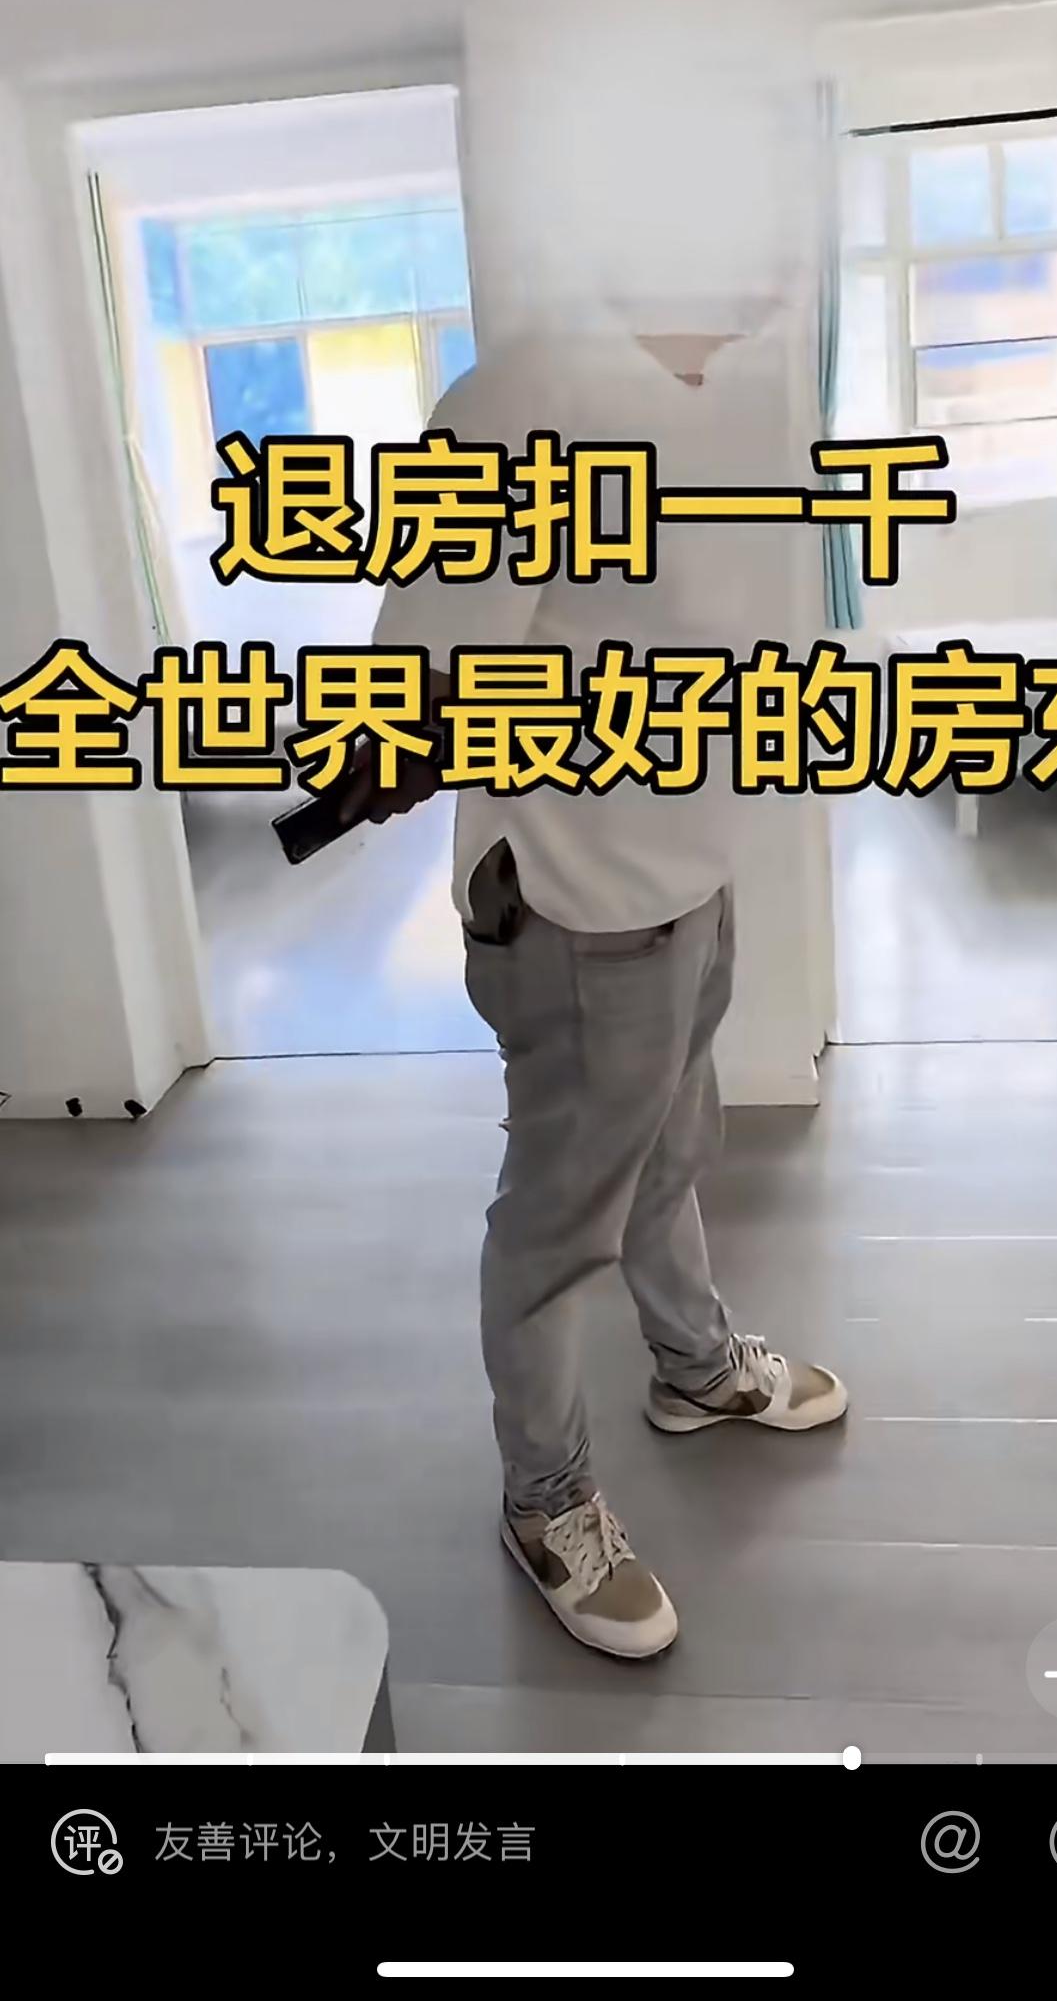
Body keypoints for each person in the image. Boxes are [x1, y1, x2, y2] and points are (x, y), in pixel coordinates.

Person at [345, 305, 847, 1660]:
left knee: (674, 1148)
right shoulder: (522, 401)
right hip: (576, 901)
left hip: (691, 871)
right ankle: (544, 1499)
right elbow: (408, 686)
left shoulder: (731, 399)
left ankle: (692, 1367)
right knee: (559, 1225)